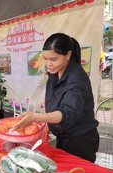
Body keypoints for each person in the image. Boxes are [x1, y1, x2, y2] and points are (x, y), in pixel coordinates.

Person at [13, 33, 99, 163]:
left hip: (80, 140)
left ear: (68, 55)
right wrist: (47, 124)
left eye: (53, 59)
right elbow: (55, 103)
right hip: (63, 136)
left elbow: (67, 113)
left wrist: (36, 117)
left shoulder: (77, 79)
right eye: (45, 58)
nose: (48, 64)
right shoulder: (54, 73)